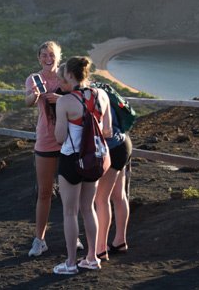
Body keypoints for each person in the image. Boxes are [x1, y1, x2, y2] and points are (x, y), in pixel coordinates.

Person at [52, 56, 112, 275]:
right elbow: (107, 130)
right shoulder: (102, 96)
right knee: (89, 209)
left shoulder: (65, 101)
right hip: (93, 159)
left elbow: (59, 137)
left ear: (69, 75)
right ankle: (92, 258)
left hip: (71, 159)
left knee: (70, 213)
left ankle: (70, 263)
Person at [25, 41, 65, 257]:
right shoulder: (34, 79)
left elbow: (82, 96)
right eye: (43, 55)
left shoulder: (66, 76)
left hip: (69, 140)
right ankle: (39, 240)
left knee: (71, 193)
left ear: (58, 56)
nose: (48, 59)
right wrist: (36, 95)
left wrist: (61, 98)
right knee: (44, 192)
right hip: (46, 139)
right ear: (38, 58)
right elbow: (28, 102)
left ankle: (73, 236)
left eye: (51, 55)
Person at [94, 92, 133, 261]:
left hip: (111, 147)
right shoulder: (103, 90)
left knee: (101, 200)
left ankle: (100, 249)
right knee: (119, 195)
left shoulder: (88, 95)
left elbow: (104, 129)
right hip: (124, 143)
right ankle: (120, 241)